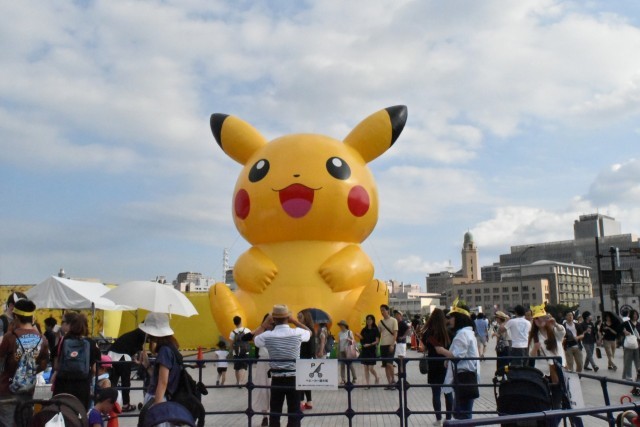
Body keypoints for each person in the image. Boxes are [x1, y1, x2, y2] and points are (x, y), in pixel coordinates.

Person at [252, 304, 311, 427]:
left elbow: (255, 339)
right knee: (294, 413)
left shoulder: (268, 336)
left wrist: (264, 325)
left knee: (275, 413)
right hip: (294, 378)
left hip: (277, 379)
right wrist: (294, 321)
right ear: (288, 317)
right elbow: (310, 332)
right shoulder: (297, 333)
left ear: (273, 319)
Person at [0, 298, 49, 426]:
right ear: (32, 317)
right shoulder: (42, 339)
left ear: (16, 317)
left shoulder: (10, 337)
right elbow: (43, 365)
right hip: (28, 392)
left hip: (7, 390)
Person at [436, 300, 479, 420]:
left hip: (463, 376)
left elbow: (457, 356)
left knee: (462, 412)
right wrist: (448, 359)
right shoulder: (467, 333)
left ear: (459, 318)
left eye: (452, 317)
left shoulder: (463, 334)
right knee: (464, 411)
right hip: (468, 375)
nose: (449, 320)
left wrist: (442, 351)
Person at [52, 312, 100, 410]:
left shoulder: (63, 341)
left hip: (62, 385)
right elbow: (95, 369)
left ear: (71, 326)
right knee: (80, 414)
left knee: (60, 412)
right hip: (82, 386)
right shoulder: (91, 343)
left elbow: (56, 365)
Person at [527, 304, 566, 412]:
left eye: (542, 317)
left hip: (557, 369)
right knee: (544, 398)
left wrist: (555, 323)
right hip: (542, 371)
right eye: (536, 319)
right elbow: (532, 356)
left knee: (558, 399)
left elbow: (562, 333)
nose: (540, 320)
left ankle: (555, 417)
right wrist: (535, 348)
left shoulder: (553, 331)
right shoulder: (534, 336)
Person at [138, 312, 181, 407]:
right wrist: (147, 365)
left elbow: (163, 382)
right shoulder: (171, 347)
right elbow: (160, 378)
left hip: (158, 398)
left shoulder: (164, 351)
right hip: (166, 398)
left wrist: (157, 407)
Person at [422, 308, 453, 426]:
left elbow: (424, 348)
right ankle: (448, 419)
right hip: (446, 364)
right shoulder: (448, 332)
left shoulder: (428, 333)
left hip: (433, 364)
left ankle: (438, 419)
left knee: (436, 393)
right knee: (448, 392)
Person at [107, 326, 146, 412]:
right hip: (123, 357)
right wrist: (140, 361)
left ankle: (109, 404)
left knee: (113, 382)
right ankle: (126, 404)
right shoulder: (142, 335)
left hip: (112, 354)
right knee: (125, 382)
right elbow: (142, 351)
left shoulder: (134, 333)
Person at [355, 314, 380, 388]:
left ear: (373, 320)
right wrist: (359, 336)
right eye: (367, 319)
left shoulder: (375, 330)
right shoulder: (364, 330)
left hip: (372, 351)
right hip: (365, 351)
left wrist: (369, 344)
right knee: (365, 368)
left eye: (370, 319)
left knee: (371, 368)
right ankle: (367, 384)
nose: (369, 321)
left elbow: (377, 341)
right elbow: (362, 339)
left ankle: (377, 377)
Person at [297, 310, 315, 411]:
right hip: (307, 358)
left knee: (301, 382)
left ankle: (301, 402)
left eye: (300, 317)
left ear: (306, 318)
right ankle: (309, 402)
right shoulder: (310, 329)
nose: (298, 319)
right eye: (297, 317)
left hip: (303, 358)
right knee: (306, 382)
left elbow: (309, 346)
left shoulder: (305, 330)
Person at [378, 304, 398, 390]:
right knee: (386, 365)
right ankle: (389, 383)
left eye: (383, 310)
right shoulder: (380, 322)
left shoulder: (394, 320)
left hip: (391, 345)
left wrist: (392, 345)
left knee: (390, 364)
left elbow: (395, 333)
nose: (382, 312)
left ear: (388, 311)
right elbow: (378, 333)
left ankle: (393, 381)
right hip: (383, 345)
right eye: (381, 310)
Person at [229, 316, 251, 387]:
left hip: (236, 352)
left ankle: (238, 381)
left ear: (234, 323)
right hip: (245, 351)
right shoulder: (247, 330)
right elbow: (250, 340)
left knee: (237, 368)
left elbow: (231, 344)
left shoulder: (232, 332)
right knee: (244, 367)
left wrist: (232, 352)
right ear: (241, 321)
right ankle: (241, 382)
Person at [620, 309, 640, 382]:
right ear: (631, 315)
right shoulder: (626, 323)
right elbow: (619, 330)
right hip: (629, 344)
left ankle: (638, 376)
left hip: (638, 345)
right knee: (627, 361)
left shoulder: (639, 324)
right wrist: (624, 332)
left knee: (638, 361)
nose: (635, 316)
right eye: (634, 314)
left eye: (636, 314)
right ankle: (628, 376)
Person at [337, 320, 358, 384]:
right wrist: (338, 351)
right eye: (340, 325)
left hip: (348, 350)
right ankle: (343, 379)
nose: (340, 326)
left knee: (350, 365)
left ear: (344, 325)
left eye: (341, 325)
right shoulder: (339, 333)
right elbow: (339, 343)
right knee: (342, 365)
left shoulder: (349, 332)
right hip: (342, 350)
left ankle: (354, 378)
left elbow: (353, 341)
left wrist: (349, 339)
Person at [394, 310, 411, 376]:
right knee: (399, 358)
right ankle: (400, 371)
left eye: (397, 314)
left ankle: (401, 371)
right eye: (395, 314)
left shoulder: (402, 323)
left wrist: (403, 336)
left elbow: (408, 329)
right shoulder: (397, 323)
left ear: (401, 315)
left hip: (401, 343)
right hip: (398, 343)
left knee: (401, 358)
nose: (396, 316)